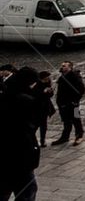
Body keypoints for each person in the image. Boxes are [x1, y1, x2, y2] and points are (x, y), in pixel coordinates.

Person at [0, 67, 41, 201]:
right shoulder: (25, 100)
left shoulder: (5, 94)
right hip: (20, 157)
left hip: (6, 157)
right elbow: (29, 127)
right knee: (27, 190)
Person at [52, 61, 85, 146]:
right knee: (66, 120)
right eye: (62, 66)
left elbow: (81, 89)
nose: (62, 67)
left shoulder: (75, 77)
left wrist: (75, 100)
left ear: (69, 67)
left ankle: (79, 135)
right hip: (63, 103)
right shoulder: (62, 76)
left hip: (72, 103)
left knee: (76, 120)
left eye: (64, 66)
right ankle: (65, 137)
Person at [33, 71, 55, 148]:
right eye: (48, 76)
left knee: (43, 125)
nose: (49, 78)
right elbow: (34, 95)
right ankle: (32, 139)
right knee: (35, 125)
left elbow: (51, 95)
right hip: (37, 107)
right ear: (43, 77)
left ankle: (42, 140)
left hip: (45, 107)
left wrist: (50, 91)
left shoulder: (48, 83)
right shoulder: (36, 84)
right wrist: (43, 92)